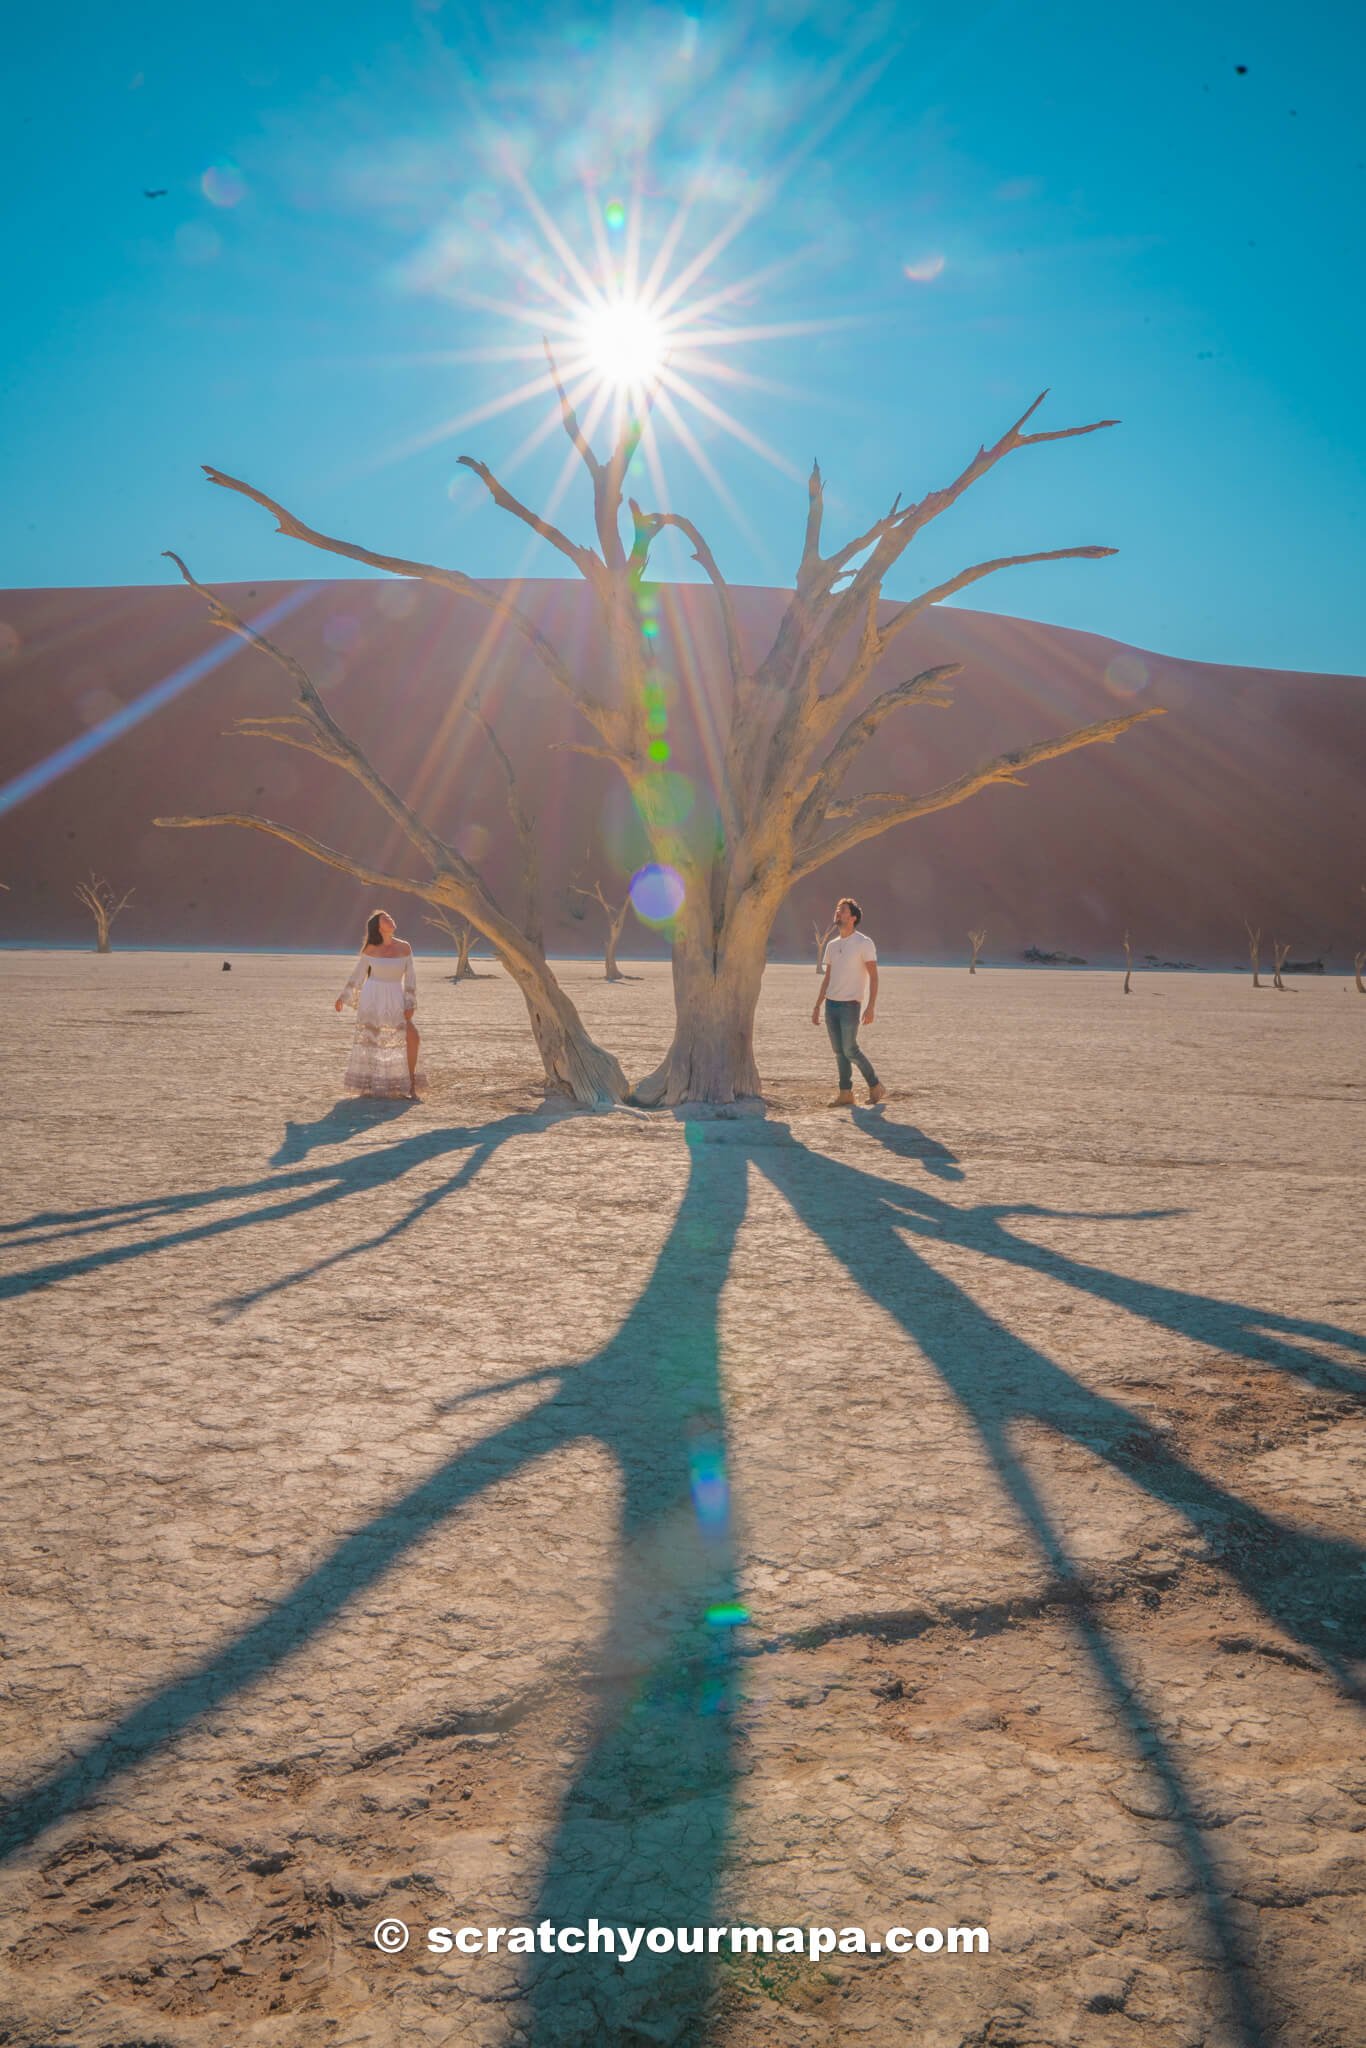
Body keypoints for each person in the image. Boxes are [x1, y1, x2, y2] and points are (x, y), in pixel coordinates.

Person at [334, 909, 424, 1099]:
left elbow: (411, 977)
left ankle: (411, 1084)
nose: (390, 920)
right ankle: (371, 1084)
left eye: (390, 917)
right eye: (385, 919)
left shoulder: (405, 947)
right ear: (378, 927)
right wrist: (344, 996)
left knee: (412, 1037)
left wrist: (410, 1003)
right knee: (373, 1040)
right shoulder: (371, 949)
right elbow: (359, 973)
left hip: (395, 996)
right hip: (373, 996)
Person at [812, 896, 885, 1106]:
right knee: (838, 1052)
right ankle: (846, 1094)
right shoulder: (833, 946)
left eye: (843, 910)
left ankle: (875, 1085)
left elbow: (874, 976)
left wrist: (870, 1006)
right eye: (837, 909)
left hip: (851, 1005)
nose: (838, 913)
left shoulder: (864, 943)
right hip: (831, 1005)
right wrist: (818, 1005)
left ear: (853, 917)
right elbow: (828, 978)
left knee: (850, 1049)